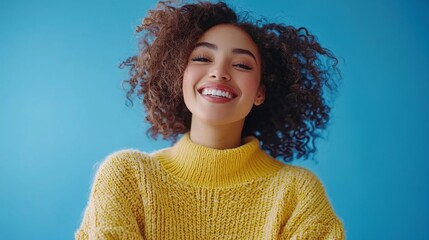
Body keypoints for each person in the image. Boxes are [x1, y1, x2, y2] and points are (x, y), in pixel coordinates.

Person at [75, 1, 344, 239]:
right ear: (178, 75)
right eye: (203, 58)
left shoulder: (297, 194)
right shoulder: (128, 177)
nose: (219, 72)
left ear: (260, 92)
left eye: (241, 65)